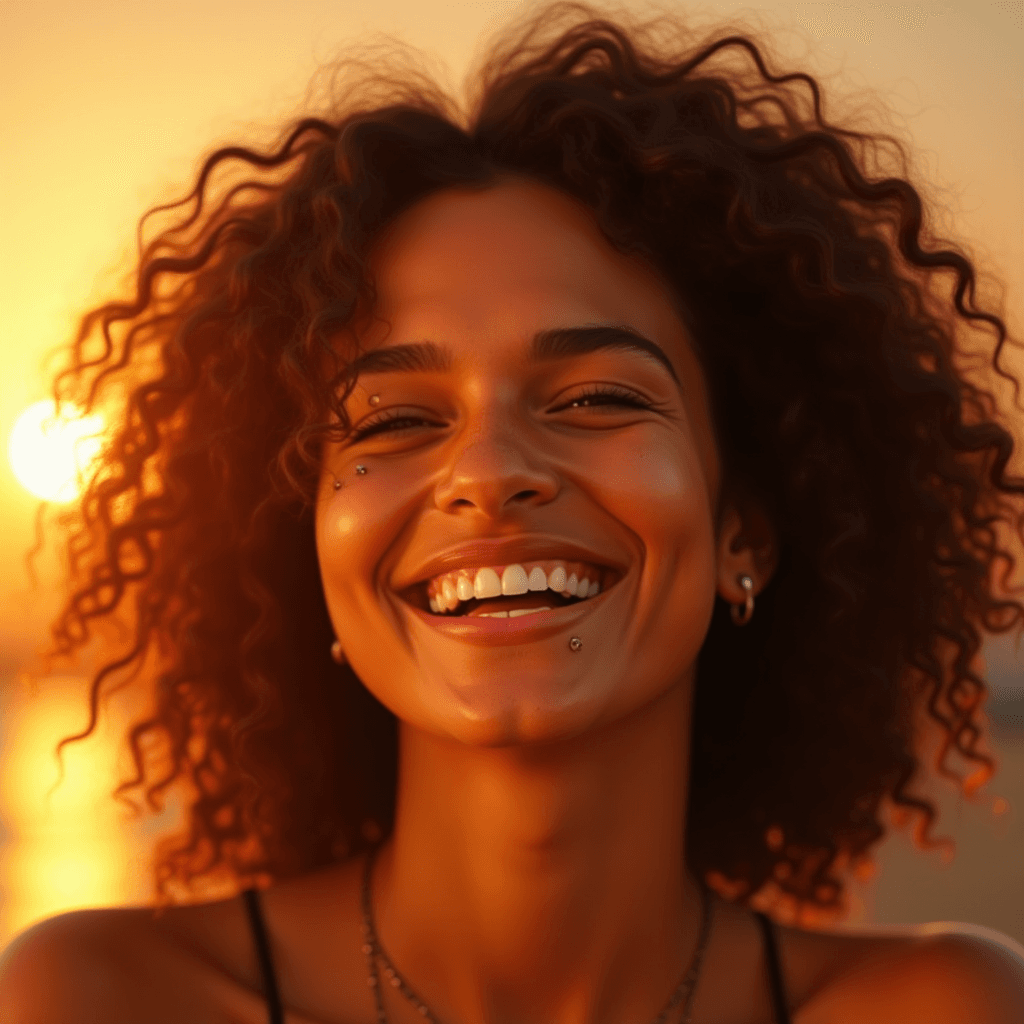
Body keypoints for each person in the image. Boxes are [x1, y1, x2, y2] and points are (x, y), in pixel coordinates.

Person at [2, 2, 1024, 1020]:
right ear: (306, 542)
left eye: (596, 398)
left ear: (739, 528)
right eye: (394, 420)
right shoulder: (100, 997)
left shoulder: (942, 1006)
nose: (487, 470)